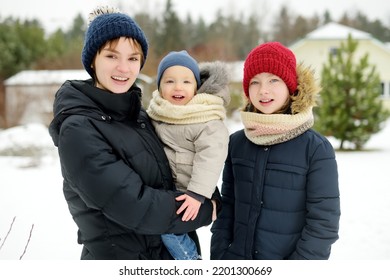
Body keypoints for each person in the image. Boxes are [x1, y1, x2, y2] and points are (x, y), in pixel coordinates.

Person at [48, 6, 218, 260]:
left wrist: (203, 190)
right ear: (92, 59)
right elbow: (137, 207)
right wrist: (207, 209)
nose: (123, 68)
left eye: (133, 58)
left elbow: (173, 170)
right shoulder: (78, 128)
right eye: (112, 56)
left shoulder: (138, 115)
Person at [210, 42, 341, 260]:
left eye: (273, 80)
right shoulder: (237, 143)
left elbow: (323, 224)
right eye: (255, 82)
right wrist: (221, 256)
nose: (263, 90)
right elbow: (228, 207)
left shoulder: (316, 148)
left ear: (290, 85)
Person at [147, 51, 230, 260]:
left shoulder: (204, 117)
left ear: (196, 87)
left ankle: (191, 261)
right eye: (169, 81)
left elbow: (211, 157)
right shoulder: (158, 113)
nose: (178, 87)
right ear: (159, 87)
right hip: (170, 191)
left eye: (186, 81)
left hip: (193, 192)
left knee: (168, 230)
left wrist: (197, 193)